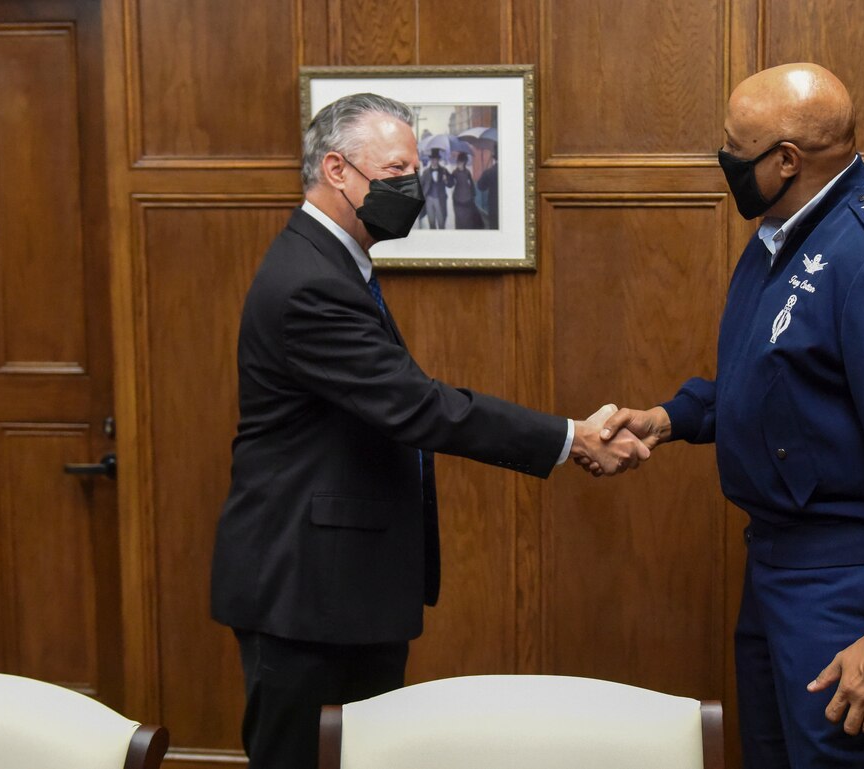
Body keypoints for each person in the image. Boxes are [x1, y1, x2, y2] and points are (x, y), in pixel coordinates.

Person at [210, 92, 649, 769]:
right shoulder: (308, 282)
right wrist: (571, 437)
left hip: (340, 589)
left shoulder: (332, 264)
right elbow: (418, 407)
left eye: (416, 172)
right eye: (395, 173)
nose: (411, 190)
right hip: (303, 593)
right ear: (336, 170)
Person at [591, 63, 864, 768]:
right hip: (775, 565)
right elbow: (786, 379)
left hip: (850, 588)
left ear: (786, 161)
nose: (724, 161)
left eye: (734, 148)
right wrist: (673, 416)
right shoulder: (788, 230)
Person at [420, 146, 453, 228]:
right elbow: (420, 186)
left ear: (438, 160)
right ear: (431, 160)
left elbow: (451, 184)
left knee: (441, 223)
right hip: (429, 200)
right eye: (433, 159)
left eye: (436, 159)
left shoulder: (444, 170)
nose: (434, 161)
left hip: (440, 199)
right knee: (431, 223)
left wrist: (446, 180)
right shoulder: (426, 172)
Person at [451, 151, 483, 229]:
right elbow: (450, 183)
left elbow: (472, 185)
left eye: (461, 162)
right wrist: (446, 179)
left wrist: (473, 196)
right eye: (458, 162)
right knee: (459, 221)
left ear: (464, 162)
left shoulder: (467, 172)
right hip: (458, 201)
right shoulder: (454, 173)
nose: (459, 164)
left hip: (467, 201)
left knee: (468, 221)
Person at [477, 149, 498, 228]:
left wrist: (485, 173)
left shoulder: (490, 172)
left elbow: (481, 186)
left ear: (494, 158)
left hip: (493, 207)